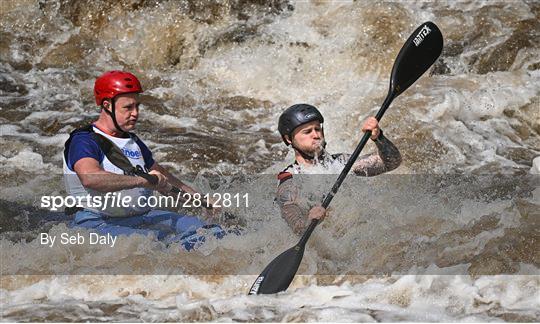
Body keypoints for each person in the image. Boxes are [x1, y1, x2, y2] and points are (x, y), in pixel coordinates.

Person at [63, 70, 223, 250]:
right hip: (95, 223)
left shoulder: (134, 142)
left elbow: (167, 182)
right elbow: (90, 178)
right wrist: (142, 180)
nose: (135, 113)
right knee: (158, 245)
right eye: (128, 107)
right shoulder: (84, 140)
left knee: (211, 232)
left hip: (142, 217)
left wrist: (202, 201)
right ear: (107, 105)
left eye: (137, 106)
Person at [275, 103, 402, 234]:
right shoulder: (289, 181)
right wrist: (309, 221)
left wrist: (378, 137)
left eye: (317, 129)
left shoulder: (341, 162)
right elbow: (296, 226)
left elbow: (391, 163)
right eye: (307, 132)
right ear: (288, 139)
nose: (316, 135)